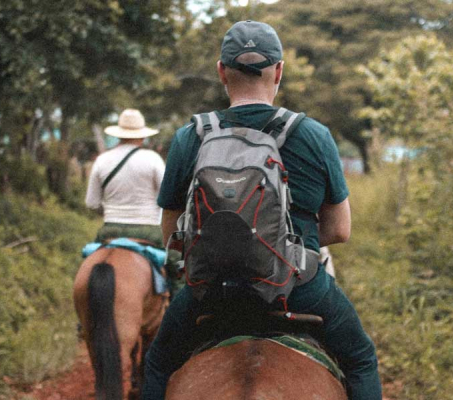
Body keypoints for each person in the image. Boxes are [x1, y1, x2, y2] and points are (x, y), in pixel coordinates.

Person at [143, 21, 382, 400]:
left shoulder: (191, 135)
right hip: (299, 288)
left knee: (156, 364)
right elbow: (340, 230)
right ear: (279, 70)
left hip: (210, 291)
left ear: (222, 71)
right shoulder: (313, 135)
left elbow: (171, 233)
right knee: (361, 358)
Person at [85, 108, 165, 248]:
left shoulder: (102, 160)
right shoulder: (153, 159)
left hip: (110, 230)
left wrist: (112, 212)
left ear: (118, 135)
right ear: (143, 136)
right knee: (175, 263)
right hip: (148, 230)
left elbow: (92, 203)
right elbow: (167, 196)